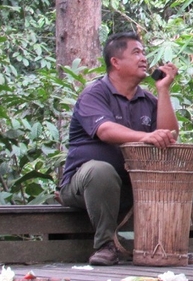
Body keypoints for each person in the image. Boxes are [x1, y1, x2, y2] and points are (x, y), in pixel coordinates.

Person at [59, 31, 180, 265]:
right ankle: (106, 245)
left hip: (131, 188)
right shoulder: (94, 94)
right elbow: (105, 131)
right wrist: (145, 137)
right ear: (115, 62)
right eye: (136, 52)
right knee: (100, 171)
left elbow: (170, 136)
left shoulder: (147, 101)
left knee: (185, 177)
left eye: (144, 52)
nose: (143, 58)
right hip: (85, 186)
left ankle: (164, 244)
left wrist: (163, 90)